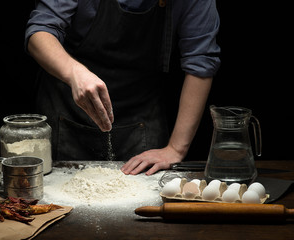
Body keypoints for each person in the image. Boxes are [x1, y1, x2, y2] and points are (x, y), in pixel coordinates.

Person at [25, 0, 221, 175]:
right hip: (67, 110)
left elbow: (200, 62)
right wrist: (74, 72)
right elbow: (40, 32)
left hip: (140, 117)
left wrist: (176, 149)